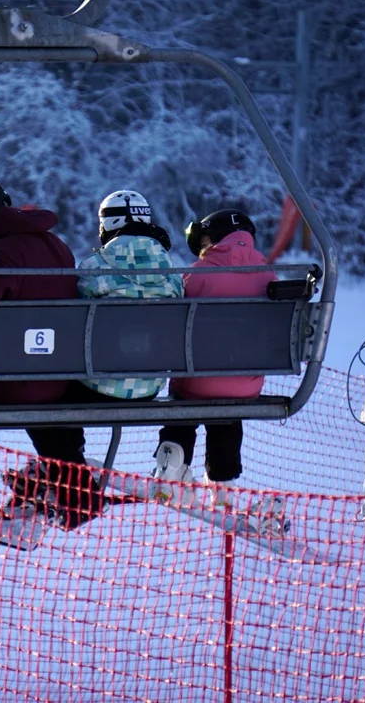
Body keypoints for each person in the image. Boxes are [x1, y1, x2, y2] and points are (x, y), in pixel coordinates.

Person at [0, 177, 102, 531]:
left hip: (15, 382)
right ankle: (76, 493)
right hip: (57, 380)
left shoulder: (7, 253)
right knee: (45, 396)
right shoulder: (56, 246)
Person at [152, 208, 288, 534]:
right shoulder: (268, 277)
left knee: (185, 397)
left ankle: (172, 460)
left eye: (203, 242)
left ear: (215, 238)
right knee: (228, 408)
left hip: (196, 382)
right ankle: (221, 480)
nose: (201, 249)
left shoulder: (197, 274)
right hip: (245, 384)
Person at [70, 190, 183, 403]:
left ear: (106, 224)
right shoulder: (171, 272)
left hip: (96, 384)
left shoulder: (93, 268)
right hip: (150, 387)